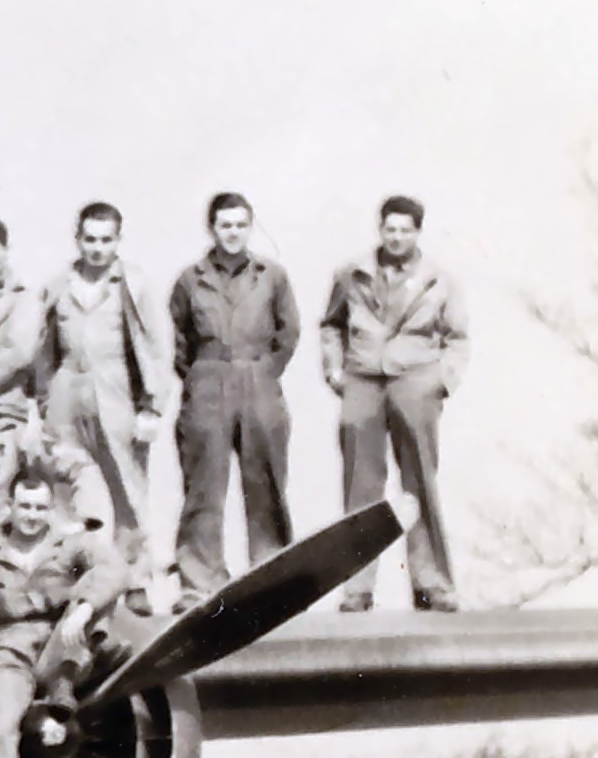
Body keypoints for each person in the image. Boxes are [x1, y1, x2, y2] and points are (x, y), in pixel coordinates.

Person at [315, 194, 461, 612]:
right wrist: (334, 369)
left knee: (419, 485)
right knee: (361, 485)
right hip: (363, 381)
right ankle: (357, 587)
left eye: (405, 230)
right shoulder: (351, 274)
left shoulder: (440, 280)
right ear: (380, 230)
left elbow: (456, 338)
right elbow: (331, 325)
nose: (396, 238)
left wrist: (440, 382)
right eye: (389, 229)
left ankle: (431, 581)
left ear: (418, 232)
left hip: (415, 382)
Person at [163, 193, 299, 589]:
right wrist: (202, 376)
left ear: (250, 227)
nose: (233, 232)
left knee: (266, 480)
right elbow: (178, 341)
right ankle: (200, 580)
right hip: (208, 381)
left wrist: (264, 372)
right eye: (225, 225)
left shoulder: (271, 275)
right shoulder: (191, 279)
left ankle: (271, 575)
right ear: (212, 228)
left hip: (259, 379)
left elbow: (288, 333)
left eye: (240, 224)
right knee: (203, 484)